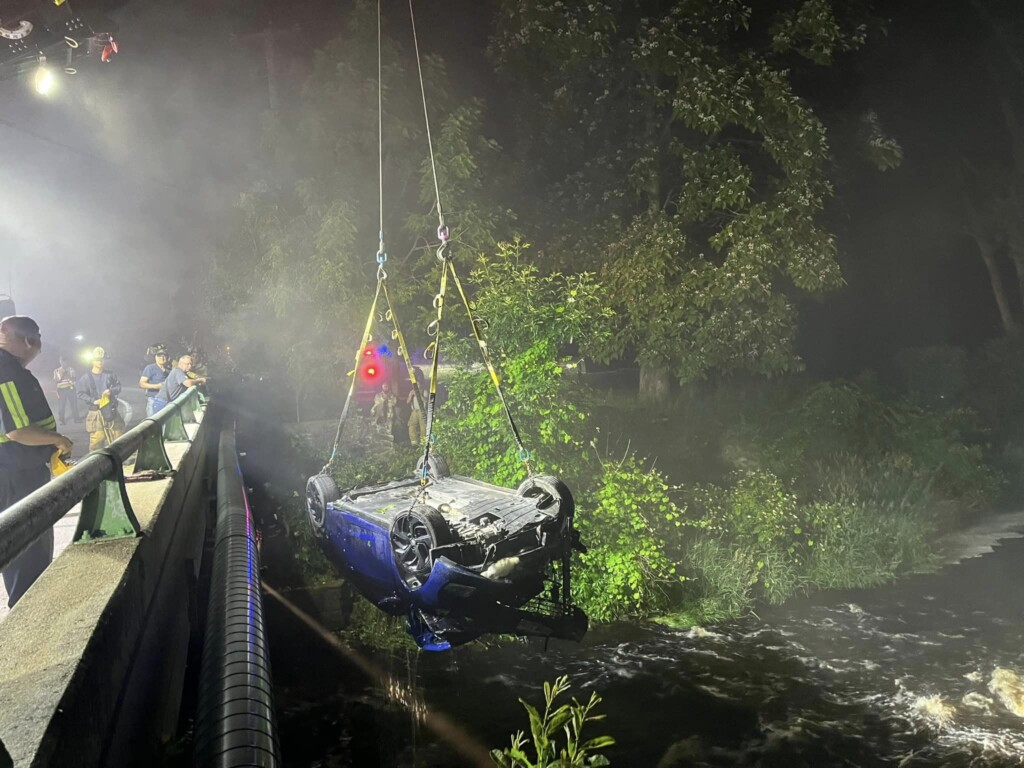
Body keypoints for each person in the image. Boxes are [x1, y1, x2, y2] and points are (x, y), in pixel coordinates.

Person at [0, 316, 74, 607]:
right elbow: (17, 430)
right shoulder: (5, 371)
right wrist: (58, 440)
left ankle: (32, 606)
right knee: (26, 548)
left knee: (30, 544)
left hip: (19, 470)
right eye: (36, 340)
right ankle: (27, 613)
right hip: (16, 474)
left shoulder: (11, 367)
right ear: (29, 341)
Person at [75, 347, 125, 451]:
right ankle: (95, 464)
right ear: (92, 361)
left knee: (118, 435)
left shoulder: (110, 375)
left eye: (102, 360)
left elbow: (118, 387)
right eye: (97, 360)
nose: (100, 362)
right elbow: (80, 393)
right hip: (96, 413)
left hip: (111, 411)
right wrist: (93, 400)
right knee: (97, 441)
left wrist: (111, 392)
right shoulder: (85, 378)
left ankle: (120, 461)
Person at [139, 344, 171, 417]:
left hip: (167, 402)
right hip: (154, 400)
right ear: (155, 357)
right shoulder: (150, 368)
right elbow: (142, 383)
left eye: (164, 356)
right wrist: (157, 386)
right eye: (159, 356)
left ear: (167, 357)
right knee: (153, 424)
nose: (162, 358)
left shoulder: (169, 370)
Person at [52, 356, 80, 425]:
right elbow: (56, 380)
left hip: (71, 388)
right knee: (61, 405)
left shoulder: (71, 369)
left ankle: (76, 419)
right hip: (61, 390)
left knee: (74, 404)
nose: (63, 363)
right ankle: (62, 420)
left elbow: (74, 379)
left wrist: (68, 375)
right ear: (60, 362)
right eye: (62, 361)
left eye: (65, 361)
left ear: (67, 362)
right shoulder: (57, 371)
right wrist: (62, 375)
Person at [407, 366, 427, 445]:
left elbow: (426, 400)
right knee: (411, 426)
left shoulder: (424, 391)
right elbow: (407, 402)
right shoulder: (412, 392)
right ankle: (414, 443)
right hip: (414, 411)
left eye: (418, 385)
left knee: (423, 428)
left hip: (422, 411)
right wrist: (410, 396)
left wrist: (419, 395)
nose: (416, 386)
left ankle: (423, 443)